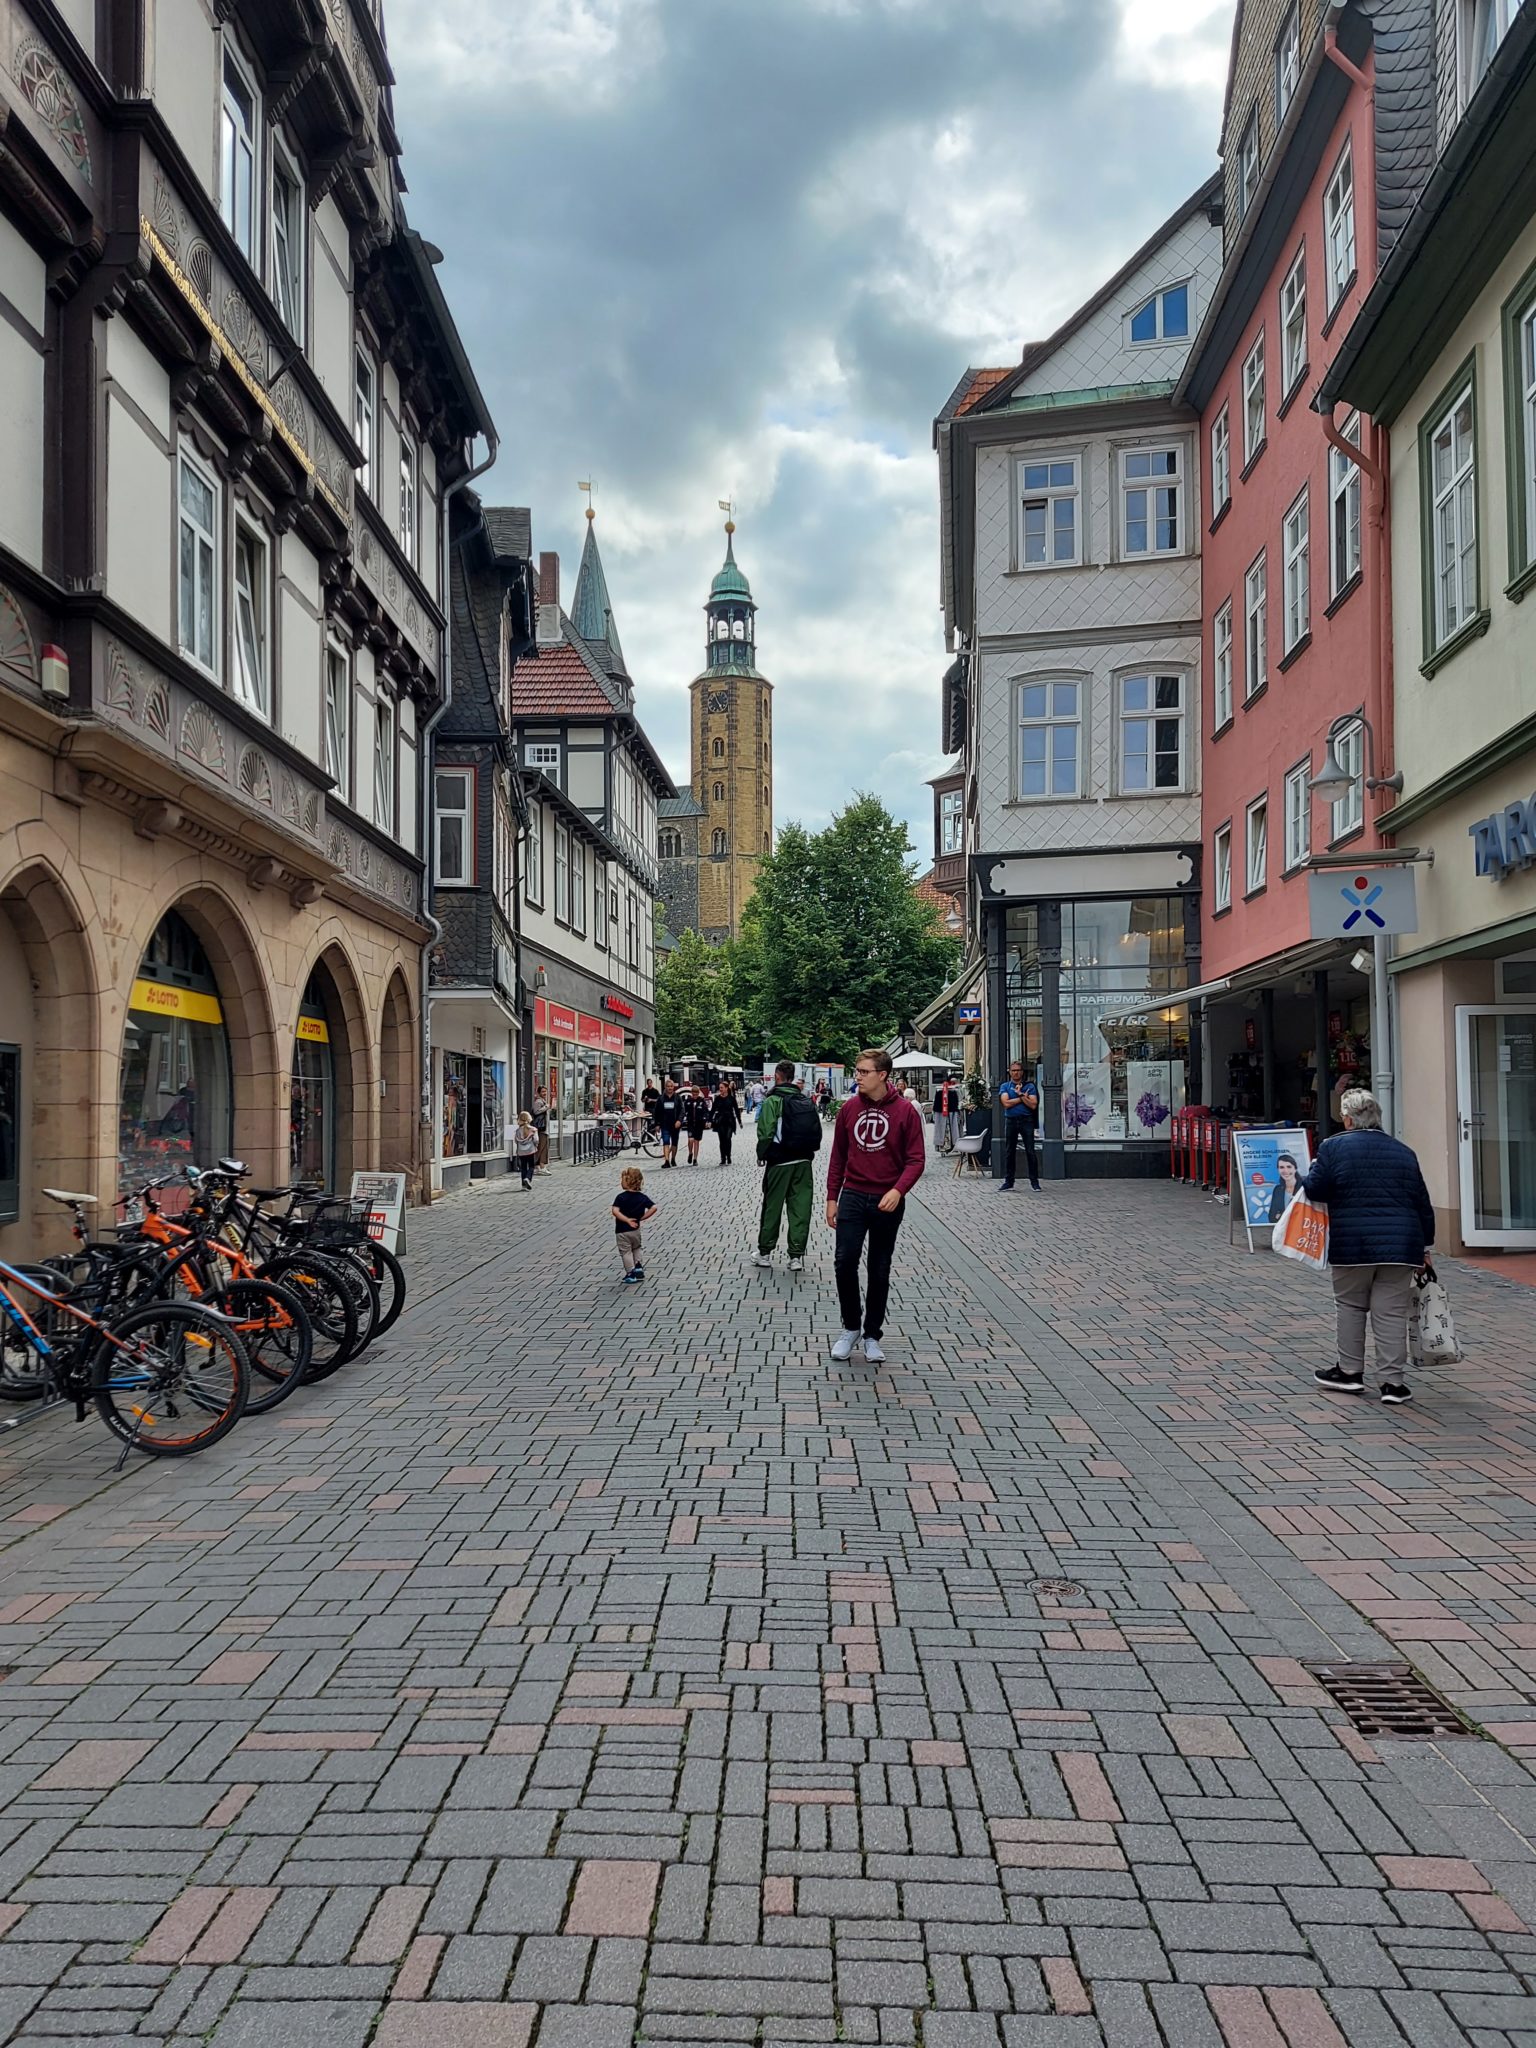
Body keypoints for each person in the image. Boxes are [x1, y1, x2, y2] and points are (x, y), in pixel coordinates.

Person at [1304, 1088, 1434, 1407]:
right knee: (1391, 1312)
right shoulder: (1403, 1151)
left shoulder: (1333, 1147)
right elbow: (1422, 1202)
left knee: (1350, 1305)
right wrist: (1425, 1247)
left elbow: (1316, 1189)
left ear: (1348, 1119)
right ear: (1377, 1117)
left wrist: (1310, 1172)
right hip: (1402, 1245)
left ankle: (1350, 1372)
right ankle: (1393, 1383)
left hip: (1353, 1244)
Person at [826, 1048, 926, 1362]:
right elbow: (838, 1157)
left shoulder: (905, 1111)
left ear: (882, 1075)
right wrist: (832, 1197)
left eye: (864, 1072)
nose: (858, 1077)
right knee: (844, 1262)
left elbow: (916, 1160)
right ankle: (851, 1327)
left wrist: (898, 1190)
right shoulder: (849, 1108)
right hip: (853, 1195)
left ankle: (872, 1334)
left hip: (887, 1199)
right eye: (857, 1071)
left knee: (879, 1268)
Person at [755, 1059, 822, 1271]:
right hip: (804, 1161)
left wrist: (761, 1154)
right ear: (792, 1077)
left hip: (780, 1161)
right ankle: (796, 1256)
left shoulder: (773, 1101)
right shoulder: (804, 1100)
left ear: (777, 1076)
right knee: (800, 1208)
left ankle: (764, 1253)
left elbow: (766, 1133)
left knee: (772, 1207)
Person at [997, 1060, 1041, 1191]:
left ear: (1022, 1072)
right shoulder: (1005, 1086)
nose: (1016, 1073)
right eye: (1013, 1070)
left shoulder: (1030, 1086)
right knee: (1009, 1151)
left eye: (1018, 1070)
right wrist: (1022, 1098)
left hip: (1026, 1121)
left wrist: (1020, 1094)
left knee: (1030, 1151)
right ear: (1009, 1072)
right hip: (1011, 1120)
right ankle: (1009, 1181)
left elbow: (1033, 1104)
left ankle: (1034, 1182)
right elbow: (1006, 1103)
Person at [611, 1166, 657, 1285]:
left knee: (626, 1252)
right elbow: (654, 1207)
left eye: (622, 1180)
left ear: (627, 1182)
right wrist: (643, 1217)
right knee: (637, 1248)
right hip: (636, 1230)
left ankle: (630, 1273)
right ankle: (638, 1267)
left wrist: (626, 1220)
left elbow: (615, 1211)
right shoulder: (642, 1197)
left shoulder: (621, 1197)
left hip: (622, 1230)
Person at [711, 1078, 742, 1165]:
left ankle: (728, 1156)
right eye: (719, 1088)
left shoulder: (731, 1098)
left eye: (722, 1087)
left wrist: (739, 1121)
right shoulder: (717, 1099)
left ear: (726, 1088)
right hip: (720, 1121)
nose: (720, 1089)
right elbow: (713, 1110)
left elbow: (736, 1110)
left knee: (728, 1138)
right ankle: (723, 1158)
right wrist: (709, 1120)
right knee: (722, 1140)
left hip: (729, 1121)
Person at [1267, 1152, 1303, 1224]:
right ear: (1278, 1170)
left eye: (1289, 1167)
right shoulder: (1277, 1189)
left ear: (1295, 1169)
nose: (1285, 1171)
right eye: (1281, 1167)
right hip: (1283, 1228)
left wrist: (1281, 1215)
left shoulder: (1303, 1187)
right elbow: (1271, 1217)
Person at [932, 1073, 962, 1154]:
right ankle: (944, 1146)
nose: (954, 1083)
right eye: (952, 1082)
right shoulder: (940, 1091)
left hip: (952, 1112)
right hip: (943, 1112)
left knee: (953, 1128)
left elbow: (960, 1100)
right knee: (944, 1129)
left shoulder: (956, 1090)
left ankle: (954, 1145)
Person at [656, 1079, 682, 1168]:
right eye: (668, 1086)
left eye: (671, 1086)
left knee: (674, 1142)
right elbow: (657, 1112)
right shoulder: (661, 1098)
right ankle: (667, 1161)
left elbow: (682, 1110)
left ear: (673, 1087)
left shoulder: (677, 1097)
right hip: (665, 1124)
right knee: (666, 1141)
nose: (670, 1088)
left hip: (675, 1124)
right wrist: (657, 1124)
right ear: (665, 1087)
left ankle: (673, 1159)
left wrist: (679, 1120)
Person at [510, 1111, 538, 1189]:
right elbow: (536, 1140)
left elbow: (516, 1141)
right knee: (531, 1166)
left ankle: (523, 1185)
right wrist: (535, 1145)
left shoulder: (517, 1131)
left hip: (521, 1152)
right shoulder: (533, 1130)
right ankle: (528, 1178)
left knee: (523, 1167)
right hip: (530, 1151)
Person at [685, 1085, 709, 1166]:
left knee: (696, 1141)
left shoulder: (701, 1101)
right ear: (691, 1093)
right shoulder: (688, 1101)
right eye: (693, 1092)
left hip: (699, 1124)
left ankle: (695, 1159)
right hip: (690, 1123)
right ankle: (690, 1153)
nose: (695, 1094)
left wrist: (706, 1120)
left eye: (696, 1092)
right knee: (690, 1139)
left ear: (698, 1093)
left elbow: (706, 1111)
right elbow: (684, 1111)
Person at [532, 1087, 551, 1173]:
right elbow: (536, 1112)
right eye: (543, 1091)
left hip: (543, 1128)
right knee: (542, 1148)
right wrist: (546, 1107)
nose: (545, 1093)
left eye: (545, 1091)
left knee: (542, 1147)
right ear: (539, 1092)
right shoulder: (538, 1102)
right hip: (541, 1128)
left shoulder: (543, 1101)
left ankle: (538, 1166)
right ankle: (541, 1166)